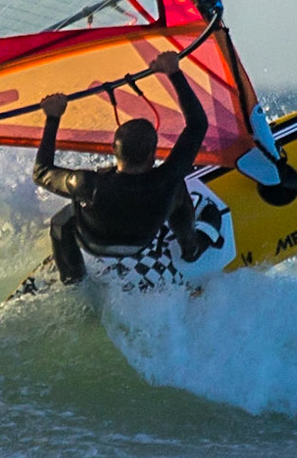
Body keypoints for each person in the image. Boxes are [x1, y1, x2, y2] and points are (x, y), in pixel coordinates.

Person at [33, 52, 208, 285]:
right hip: (140, 242)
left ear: (113, 150)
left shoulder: (87, 183)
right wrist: (174, 72)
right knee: (178, 188)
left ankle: (73, 278)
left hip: (93, 243)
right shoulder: (167, 177)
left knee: (61, 221)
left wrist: (53, 117)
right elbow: (198, 124)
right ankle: (190, 248)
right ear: (152, 155)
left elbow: (41, 172)